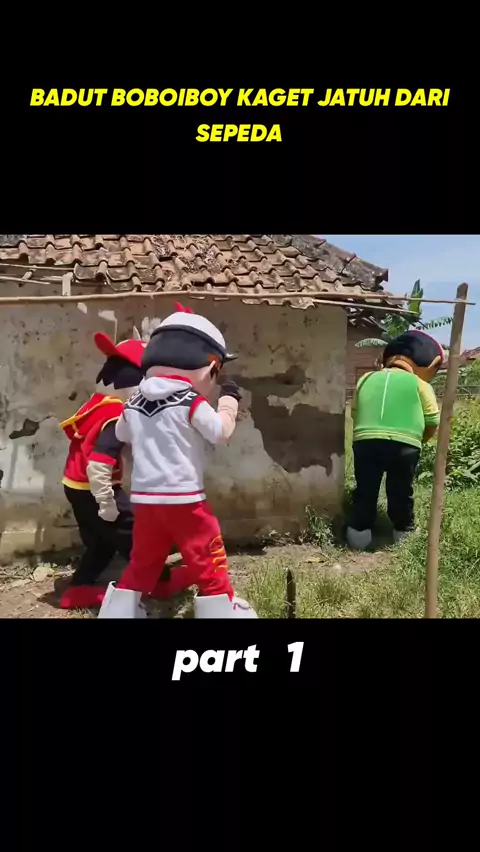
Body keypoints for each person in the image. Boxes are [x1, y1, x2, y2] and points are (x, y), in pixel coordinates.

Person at [97, 302, 258, 619]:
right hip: (185, 500)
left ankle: (120, 611)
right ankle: (221, 611)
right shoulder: (190, 400)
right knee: (205, 555)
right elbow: (220, 432)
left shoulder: (133, 402)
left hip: (145, 500)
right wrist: (228, 402)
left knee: (144, 560)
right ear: (210, 367)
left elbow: (121, 433)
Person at [59, 331, 147, 608]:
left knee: (102, 542)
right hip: (94, 485)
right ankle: (156, 582)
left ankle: (78, 589)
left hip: (74, 483)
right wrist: (106, 500)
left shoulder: (97, 401)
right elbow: (99, 462)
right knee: (135, 535)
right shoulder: (114, 413)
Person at [346, 330, 443, 550]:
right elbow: (432, 420)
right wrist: (420, 440)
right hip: (406, 444)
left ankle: (358, 533)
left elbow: (355, 412)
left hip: (366, 441)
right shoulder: (420, 385)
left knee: (365, 489)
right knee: (401, 490)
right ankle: (403, 531)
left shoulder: (365, 379)